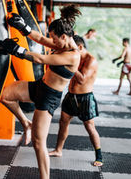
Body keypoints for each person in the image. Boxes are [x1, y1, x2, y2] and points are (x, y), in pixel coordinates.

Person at [0, 4, 81, 179]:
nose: (53, 41)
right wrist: (24, 28)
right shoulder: (62, 44)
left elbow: (40, 58)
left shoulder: (73, 55)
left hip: (48, 98)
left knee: (38, 142)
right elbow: (41, 39)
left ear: (64, 37)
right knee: (5, 96)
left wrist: (17, 50)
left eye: (55, 38)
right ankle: (26, 123)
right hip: (38, 87)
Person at [48, 35, 103, 167]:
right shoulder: (75, 56)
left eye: (72, 49)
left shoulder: (91, 60)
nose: (70, 52)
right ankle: (58, 150)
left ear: (80, 47)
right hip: (70, 96)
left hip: (85, 98)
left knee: (89, 127)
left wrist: (69, 64)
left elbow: (82, 79)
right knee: (63, 123)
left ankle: (99, 156)